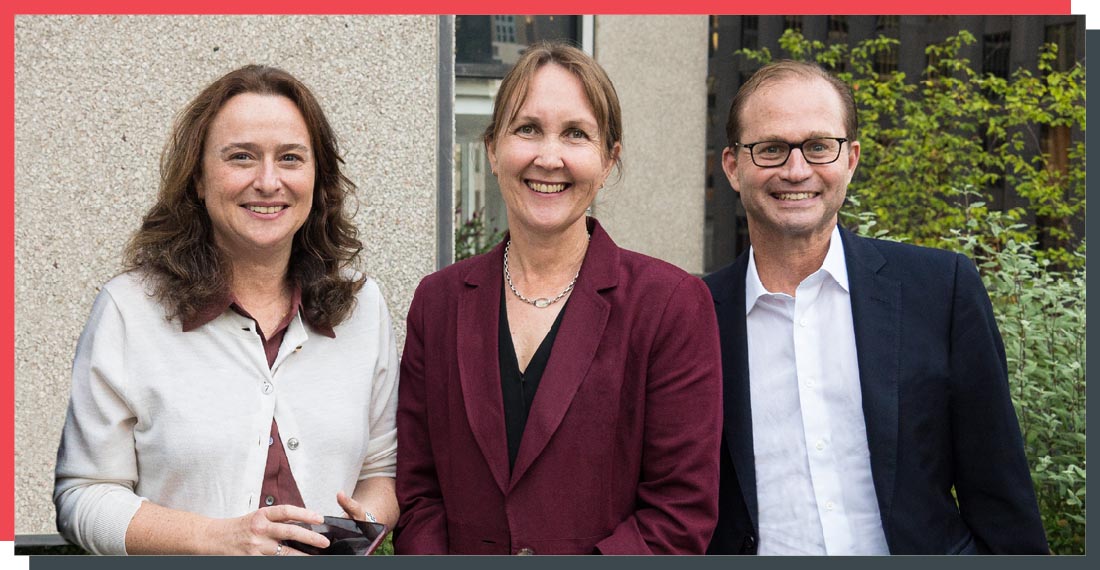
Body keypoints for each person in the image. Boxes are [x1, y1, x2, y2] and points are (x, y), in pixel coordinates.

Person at [704, 60, 1049, 555]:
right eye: (771, 149)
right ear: (734, 167)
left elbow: (1001, 497)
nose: (796, 169)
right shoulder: (694, 315)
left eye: (819, 146)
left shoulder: (941, 291)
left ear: (851, 158)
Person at [53, 65, 399, 556]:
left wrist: (360, 525)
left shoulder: (363, 310)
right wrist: (216, 539)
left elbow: (380, 472)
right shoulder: (129, 311)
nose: (268, 180)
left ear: (317, 178)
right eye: (241, 157)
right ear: (197, 178)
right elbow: (82, 496)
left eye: (291, 158)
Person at [394, 42, 722, 555]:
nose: (549, 158)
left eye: (575, 134)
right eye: (527, 129)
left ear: (609, 159)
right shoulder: (438, 304)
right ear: (492, 149)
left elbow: (679, 513)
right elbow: (417, 492)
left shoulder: (671, 306)